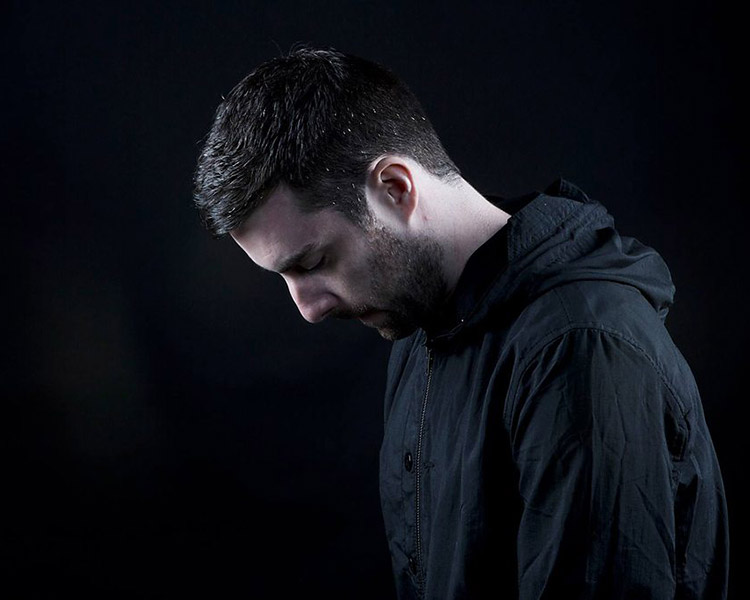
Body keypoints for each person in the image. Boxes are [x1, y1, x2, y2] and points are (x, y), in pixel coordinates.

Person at [193, 47, 729, 599]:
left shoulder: (580, 345)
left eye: (312, 263)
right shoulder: (420, 328)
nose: (308, 309)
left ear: (395, 188)